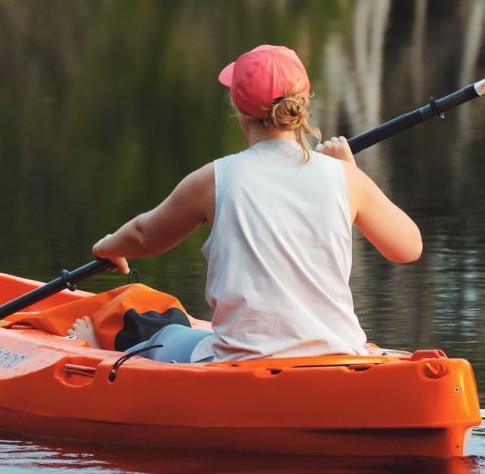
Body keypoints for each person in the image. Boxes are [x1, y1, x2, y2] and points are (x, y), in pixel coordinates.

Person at [90, 43, 422, 363]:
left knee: (164, 336)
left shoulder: (213, 179)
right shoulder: (346, 178)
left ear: (238, 108)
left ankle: (93, 344)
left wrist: (108, 246)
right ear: (303, 103)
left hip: (242, 360)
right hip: (339, 353)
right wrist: (351, 172)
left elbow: (145, 236)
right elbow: (407, 248)